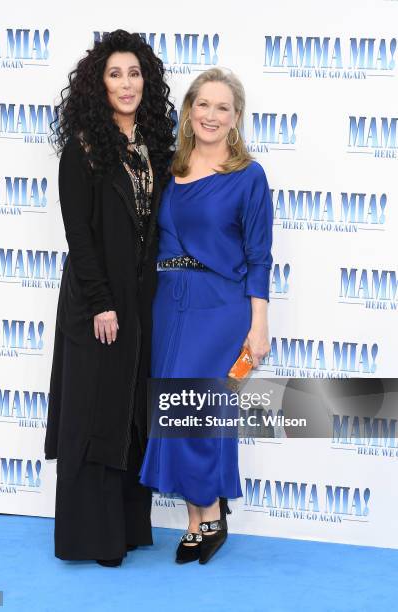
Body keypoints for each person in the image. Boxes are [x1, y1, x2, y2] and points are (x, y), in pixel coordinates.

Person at [44, 29, 174, 567]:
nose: (127, 83)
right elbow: (79, 233)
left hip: (142, 304)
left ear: (148, 80)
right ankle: (91, 539)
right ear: (99, 83)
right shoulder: (84, 148)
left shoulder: (157, 144)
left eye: (135, 73)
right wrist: (101, 302)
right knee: (94, 413)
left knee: (131, 414)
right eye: (115, 73)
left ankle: (126, 528)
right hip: (97, 304)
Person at [139, 67, 273, 564]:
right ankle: (200, 520)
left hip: (219, 305)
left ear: (236, 117)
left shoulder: (248, 176)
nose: (211, 115)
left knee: (192, 407)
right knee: (175, 410)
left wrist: (259, 324)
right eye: (203, 105)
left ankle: (211, 512)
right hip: (168, 301)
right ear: (188, 111)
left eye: (223, 107)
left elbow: (259, 255)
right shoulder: (170, 165)